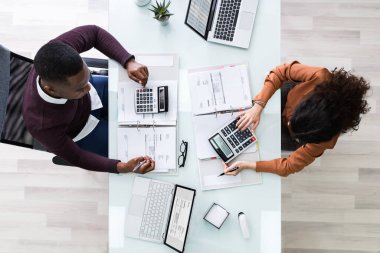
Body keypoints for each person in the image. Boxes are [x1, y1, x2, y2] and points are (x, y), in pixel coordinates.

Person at [22, 25, 155, 174]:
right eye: (80, 87)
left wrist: (128, 61)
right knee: (144, 148)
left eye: (86, 77)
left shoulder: (57, 49)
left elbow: (95, 33)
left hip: (94, 98)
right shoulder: (42, 125)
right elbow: (77, 157)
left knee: (153, 106)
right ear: (51, 90)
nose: (88, 89)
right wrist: (122, 167)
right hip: (85, 131)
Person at [223, 61, 370, 177]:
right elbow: (280, 72)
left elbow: (288, 166)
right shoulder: (320, 77)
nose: (288, 122)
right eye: (292, 120)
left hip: (291, 137)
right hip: (285, 97)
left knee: (258, 147)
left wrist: (247, 165)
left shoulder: (325, 140)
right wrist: (259, 105)